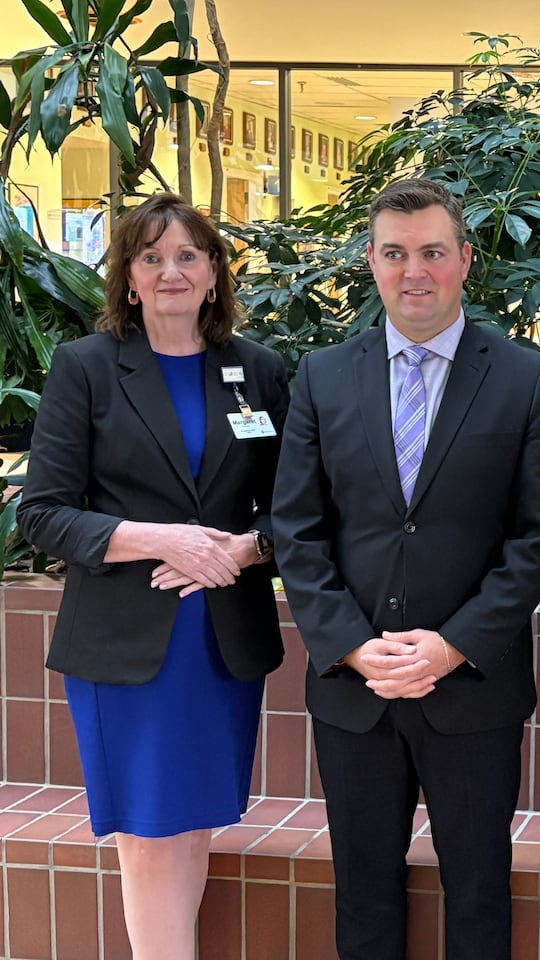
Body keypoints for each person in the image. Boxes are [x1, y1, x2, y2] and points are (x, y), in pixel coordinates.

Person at [272, 178, 540, 960]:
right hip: (354, 687)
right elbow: (298, 530)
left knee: (478, 895)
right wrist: (348, 644)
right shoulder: (322, 376)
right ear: (370, 260)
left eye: (433, 252)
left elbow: (536, 540)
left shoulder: (522, 379)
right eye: (396, 253)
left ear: (465, 260)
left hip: (471, 688)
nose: (415, 272)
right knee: (363, 896)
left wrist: (451, 645)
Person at [17, 193, 289, 960]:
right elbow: (42, 513)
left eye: (188, 256)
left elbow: (298, 508)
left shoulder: (256, 370)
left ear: (213, 275)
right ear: (128, 278)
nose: (171, 271)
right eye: (151, 257)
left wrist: (242, 552)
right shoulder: (86, 368)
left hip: (222, 641)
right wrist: (151, 537)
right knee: (148, 830)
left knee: (194, 823)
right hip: (129, 646)